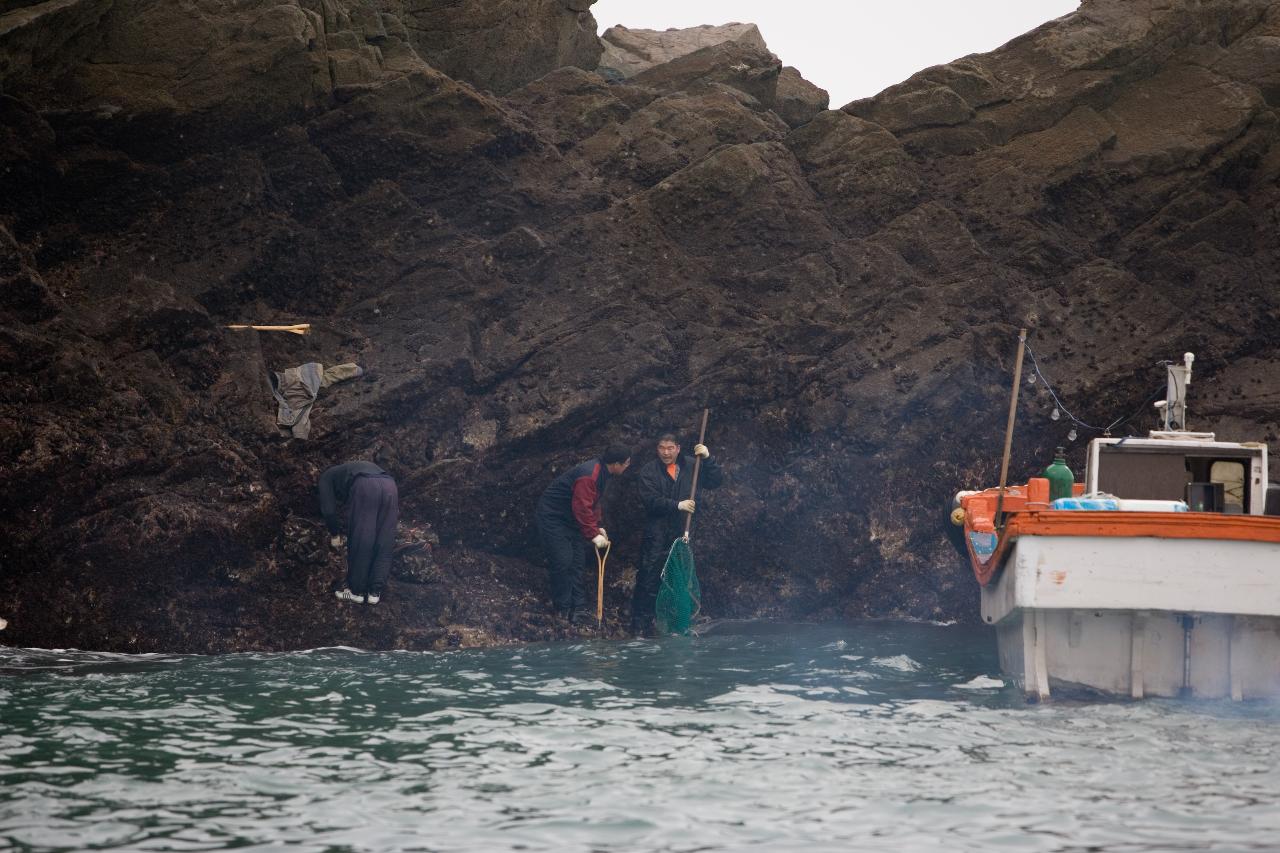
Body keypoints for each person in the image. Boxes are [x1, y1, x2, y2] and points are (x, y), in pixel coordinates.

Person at [632, 433, 723, 635]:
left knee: (681, 576)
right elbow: (650, 501)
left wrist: (708, 459)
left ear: (678, 448)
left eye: (670, 448)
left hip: (683, 531)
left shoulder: (693, 465)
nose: (666, 452)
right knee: (649, 575)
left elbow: (716, 481)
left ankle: (676, 621)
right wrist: (677, 505)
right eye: (662, 448)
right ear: (657, 449)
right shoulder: (649, 471)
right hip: (656, 531)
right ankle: (640, 624)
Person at [535, 445, 632, 623]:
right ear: (616, 464)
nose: (627, 467)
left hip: (572, 520)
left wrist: (597, 526)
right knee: (563, 561)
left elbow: (593, 502)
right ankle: (562, 609)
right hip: (554, 516)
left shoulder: (604, 473)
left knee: (578, 562)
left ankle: (578, 609)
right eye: (626, 463)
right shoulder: (590, 474)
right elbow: (580, 506)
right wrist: (593, 535)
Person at [318, 460, 399, 605]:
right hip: (389, 485)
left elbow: (329, 511)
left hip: (365, 486)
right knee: (385, 539)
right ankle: (375, 592)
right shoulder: (346, 469)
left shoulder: (325, 477)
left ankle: (356, 592)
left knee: (362, 538)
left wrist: (335, 534)